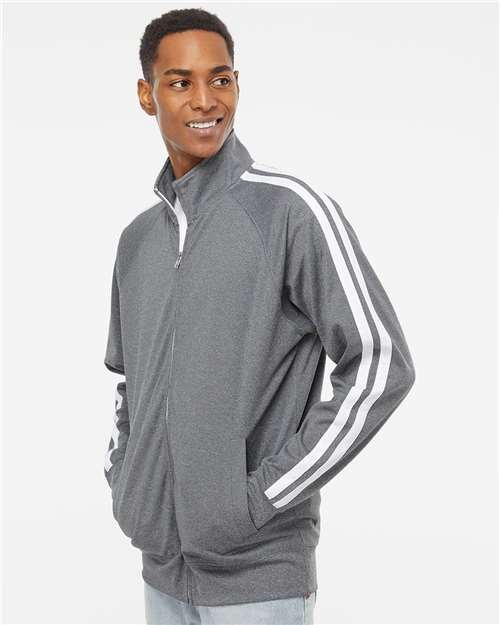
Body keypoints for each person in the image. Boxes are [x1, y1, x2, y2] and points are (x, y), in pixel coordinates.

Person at [103, 8, 416, 625]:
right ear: (146, 94)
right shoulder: (137, 242)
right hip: (160, 570)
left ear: (237, 85)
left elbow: (382, 364)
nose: (205, 100)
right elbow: (128, 385)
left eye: (220, 79)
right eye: (180, 82)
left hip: (260, 576)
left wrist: (260, 498)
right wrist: (127, 486)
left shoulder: (289, 212)